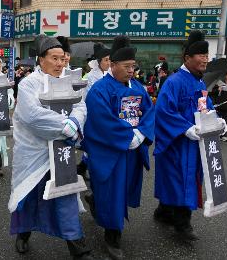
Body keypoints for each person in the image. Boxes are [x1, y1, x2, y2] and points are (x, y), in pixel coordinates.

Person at [8, 35, 95, 260]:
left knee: (65, 194)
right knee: (28, 194)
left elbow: (80, 105)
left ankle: (78, 246)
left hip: (61, 151)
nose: (60, 64)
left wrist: (74, 123)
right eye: (54, 59)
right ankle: (23, 234)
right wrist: (65, 127)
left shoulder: (68, 80)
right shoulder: (29, 84)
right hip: (33, 153)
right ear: (41, 60)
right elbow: (32, 117)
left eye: (62, 59)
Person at [83, 36, 155, 260]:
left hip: (132, 151)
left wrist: (141, 132)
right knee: (112, 193)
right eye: (126, 66)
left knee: (122, 191)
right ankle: (112, 237)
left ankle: (99, 204)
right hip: (111, 151)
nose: (131, 70)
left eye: (133, 66)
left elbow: (150, 111)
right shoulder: (100, 90)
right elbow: (100, 120)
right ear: (112, 65)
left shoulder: (139, 88)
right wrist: (127, 136)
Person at [153, 30, 227, 241]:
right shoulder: (174, 82)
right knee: (180, 181)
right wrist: (185, 128)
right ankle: (182, 225)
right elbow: (164, 111)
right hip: (177, 143)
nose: (206, 59)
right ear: (188, 58)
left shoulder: (199, 82)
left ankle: (164, 211)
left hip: (193, 144)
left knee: (184, 180)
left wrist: (217, 121)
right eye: (201, 56)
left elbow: (205, 107)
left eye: (207, 55)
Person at [76, 43, 111, 179]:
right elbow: (84, 98)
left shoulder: (109, 75)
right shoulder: (88, 77)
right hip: (92, 115)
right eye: (106, 60)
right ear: (99, 61)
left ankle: (83, 167)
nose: (108, 62)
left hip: (106, 115)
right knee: (93, 145)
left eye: (110, 59)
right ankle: (92, 172)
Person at [210, 70, 227, 142]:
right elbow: (212, 92)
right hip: (218, 106)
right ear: (226, 76)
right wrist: (218, 89)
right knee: (217, 121)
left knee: (226, 122)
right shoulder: (220, 83)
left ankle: (224, 136)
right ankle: (216, 135)